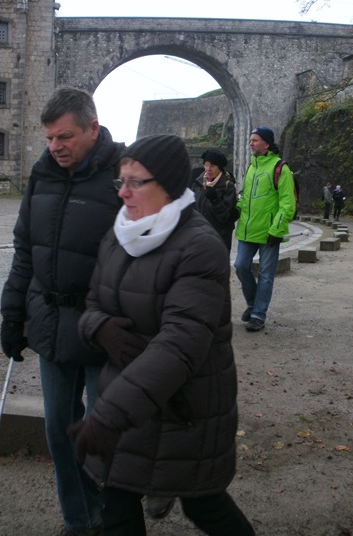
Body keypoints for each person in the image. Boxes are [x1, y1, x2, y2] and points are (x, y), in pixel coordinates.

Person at [70, 134, 256, 536]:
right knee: (116, 500)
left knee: (203, 503)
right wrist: (99, 328)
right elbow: (92, 303)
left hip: (185, 407)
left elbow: (181, 344)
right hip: (127, 397)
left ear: (169, 186)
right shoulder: (119, 234)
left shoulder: (200, 247)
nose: (123, 192)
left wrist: (108, 415)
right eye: (120, 181)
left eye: (136, 182)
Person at [0, 86, 124, 536]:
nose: (56, 147)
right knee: (58, 430)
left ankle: (114, 518)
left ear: (93, 127)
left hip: (104, 330)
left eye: (65, 137)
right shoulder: (42, 174)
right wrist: (12, 315)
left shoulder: (124, 176)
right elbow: (24, 250)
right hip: (51, 323)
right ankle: (79, 520)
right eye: (50, 138)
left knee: (105, 434)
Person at [234, 126, 296, 333]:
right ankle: (252, 305)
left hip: (270, 232)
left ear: (267, 144)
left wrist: (276, 230)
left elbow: (288, 203)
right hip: (247, 230)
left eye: (255, 140)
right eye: (250, 140)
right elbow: (244, 196)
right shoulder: (251, 167)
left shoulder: (281, 168)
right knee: (241, 266)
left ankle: (258, 315)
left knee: (266, 275)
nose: (250, 143)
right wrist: (234, 211)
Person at [192, 148, 238, 251]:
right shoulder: (198, 183)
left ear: (220, 167)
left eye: (212, 166)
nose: (208, 169)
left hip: (220, 237)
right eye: (206, 165)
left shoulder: (228, 186)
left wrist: (215, 201)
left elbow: (225, 217)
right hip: (200, 235)